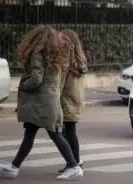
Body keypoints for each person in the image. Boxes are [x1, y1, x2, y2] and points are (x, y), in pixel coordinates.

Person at [0, 25, 83, 180]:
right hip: (49, 102)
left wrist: (23, 85)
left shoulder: (39, 54)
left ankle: (73, 166)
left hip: (40, 103)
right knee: (34, 133)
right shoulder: (56, 55)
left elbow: (36, 79)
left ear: (36, 38)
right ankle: (14, 166)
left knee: (50, 134)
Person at [57, 29, 88, 174]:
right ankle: (74, 162)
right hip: (75, 100)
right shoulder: (80, 59)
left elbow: (61, 83)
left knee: (66, 132)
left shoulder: (67, 61)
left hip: (67, 100)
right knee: (68, 132)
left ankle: (73, 163)